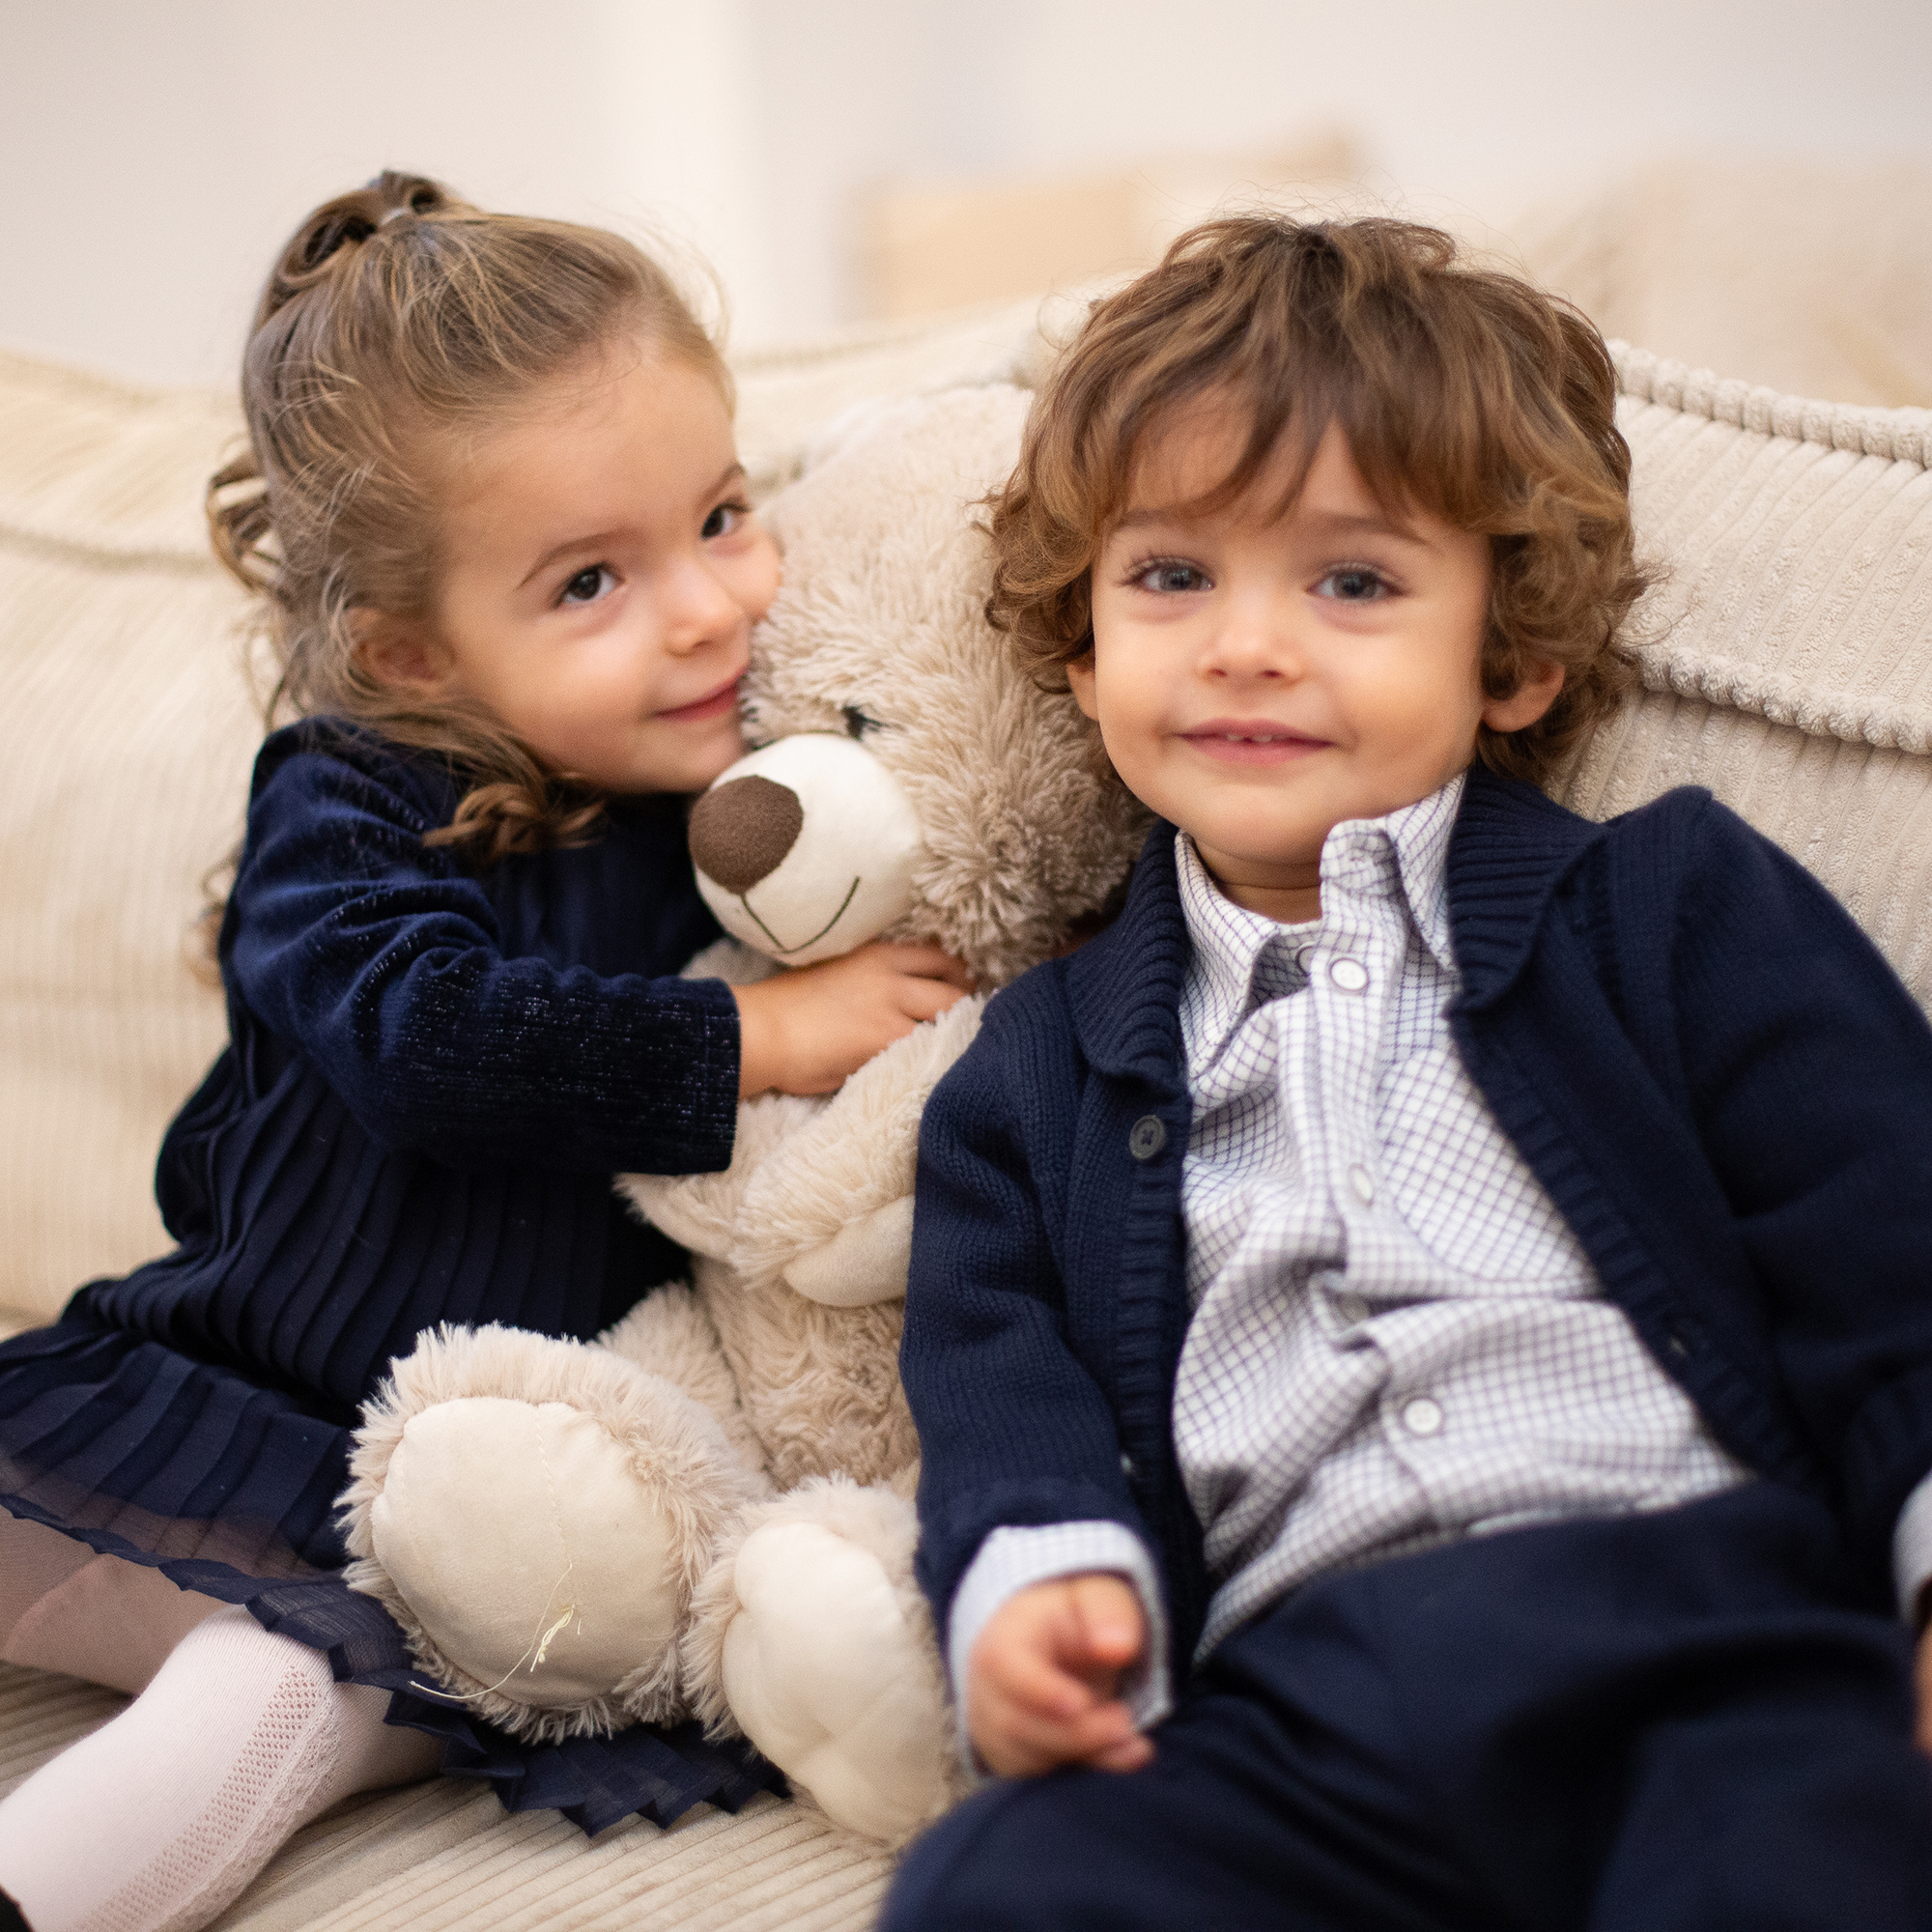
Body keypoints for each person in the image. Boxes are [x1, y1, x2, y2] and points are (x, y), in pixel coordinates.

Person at [886, 214, 1932, 1930]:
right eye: (1171, 575)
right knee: (997, 1887)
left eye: (1353, 582)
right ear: (1080, 646)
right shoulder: (1033, 1066)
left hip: (1705, 1643)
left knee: (1813, 1859)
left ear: (1510, 656)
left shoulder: (1667, 904)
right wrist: (1035, 1585)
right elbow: (998, 1377)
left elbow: (1890, 1230)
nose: (1246, 645)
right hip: (1304, 1714)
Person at [0, 171, 969, 1932]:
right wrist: (738, 1037)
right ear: (411, 649)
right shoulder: (353, 798)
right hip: (204, 1392)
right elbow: (419, 1041)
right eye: (592, 578)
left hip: (468, 1529)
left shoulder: (758, 803)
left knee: (277, 1694)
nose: (704, 610)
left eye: (726, 513)